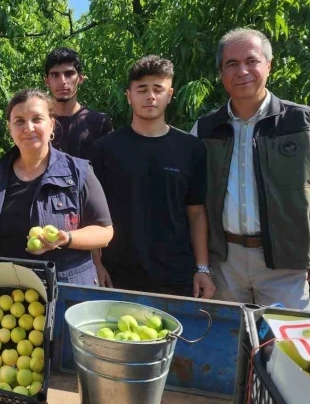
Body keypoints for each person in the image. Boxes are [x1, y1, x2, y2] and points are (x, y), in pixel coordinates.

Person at [192, 28, 310, 310]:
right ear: (221, 72)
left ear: (269, 66)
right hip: (224, 262)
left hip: (284, 263)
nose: (243, 71)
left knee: (284, 350)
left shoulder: (300, 121)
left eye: (252, 61)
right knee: (227, 345)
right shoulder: (204, 129)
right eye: (232, 64)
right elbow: (193, 200)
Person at [90, 56, 216, 299]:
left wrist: (202, 268)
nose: (150, 96)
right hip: (117, 273)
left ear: (170, 94)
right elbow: (94, 213)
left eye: (158, 89)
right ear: (129, 96)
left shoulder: (191, 148)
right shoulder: (104, 149)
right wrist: (97, 263)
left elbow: (197, 212)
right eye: (142, 89)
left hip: (176, 276)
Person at [0, 89, 113, 285]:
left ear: (51, 124)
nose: (28, 127)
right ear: (10, 128)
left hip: (64, 291)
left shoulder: (79, 173)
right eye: (19, 121)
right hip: (8, 294)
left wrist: (66, 238)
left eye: (37, 119)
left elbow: (105, 231)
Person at [43, 47, 113, 160]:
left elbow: (110, 169)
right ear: (46, 81)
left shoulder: (99, 122)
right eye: (55, 75)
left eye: (69, 74)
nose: (62, 81)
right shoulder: (38, 122)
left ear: (80, 78)